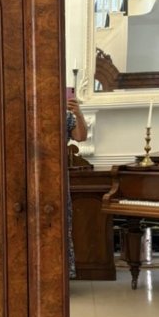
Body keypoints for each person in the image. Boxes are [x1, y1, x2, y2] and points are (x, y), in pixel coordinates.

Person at [66, 97, 87, 278]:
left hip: (55, 176)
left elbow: (81, 137)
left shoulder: (65, 115)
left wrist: (78, 113)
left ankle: (62, 275)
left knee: (61, 223)